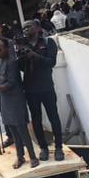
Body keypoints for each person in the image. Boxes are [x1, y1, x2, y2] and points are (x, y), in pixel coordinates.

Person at [0, 38, 37, 169]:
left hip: (15, 99)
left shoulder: (12, 62)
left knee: (22, 130)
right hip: (5, 99)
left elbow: (10, 84)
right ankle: (20, 157)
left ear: (6, 48)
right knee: (13, 130)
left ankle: (33, 157)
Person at [18, 18, 63, 161]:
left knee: (53, 118)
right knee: (36, 120)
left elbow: (51, 63)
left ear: (37, 27)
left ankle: (58, 148)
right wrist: (21, 56)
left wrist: (34, 55)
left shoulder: (48, 43)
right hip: (30, 89)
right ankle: (43, 148)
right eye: (23, 28)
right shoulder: (21, 45)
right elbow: (20, 68)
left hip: (46, 87)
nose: (26, 30)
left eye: (28, 27)